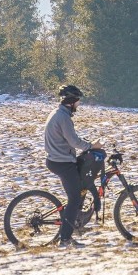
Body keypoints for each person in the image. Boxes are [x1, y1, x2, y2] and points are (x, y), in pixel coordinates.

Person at [44, 84, 102, 248]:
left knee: (79, 188)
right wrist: (92, 146)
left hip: (58, 159)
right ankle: (65, 239)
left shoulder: (58, 114)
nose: (79, 104)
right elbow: (74, 142)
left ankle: (76, 219)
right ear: (71, 101)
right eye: (78, 101)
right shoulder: (64, 118)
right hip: (62, 162)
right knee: (75, 198)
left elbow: (70, 138)